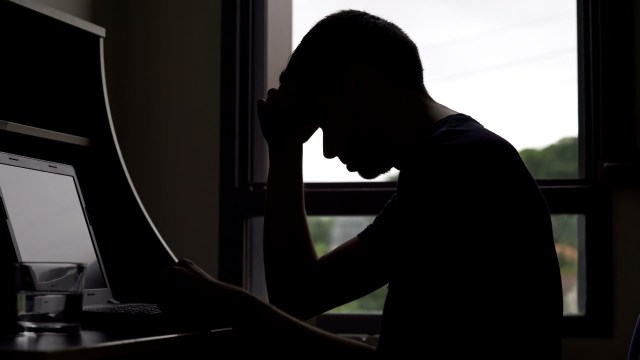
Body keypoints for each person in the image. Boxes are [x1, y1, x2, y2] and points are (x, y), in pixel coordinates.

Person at [156, 9, 563, 358]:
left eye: (326, 122)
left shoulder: (460, 166)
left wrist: (233, 305)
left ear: (358, 84)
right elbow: (300, 295)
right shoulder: (456, 158)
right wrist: (284, 150)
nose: (330, 149)